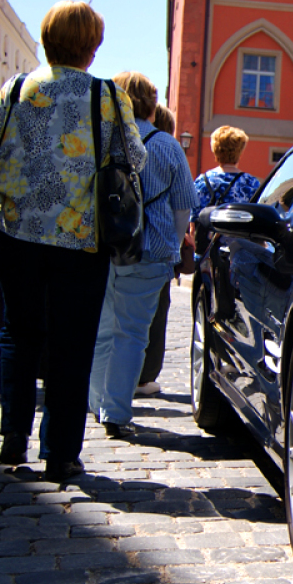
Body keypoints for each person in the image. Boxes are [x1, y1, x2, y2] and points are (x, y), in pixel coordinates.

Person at [0, 0, 146, 483]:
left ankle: (13, 439)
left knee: (19, 333)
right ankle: (61, 453)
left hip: (17, 230)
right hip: (80, 236)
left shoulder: (17, 87)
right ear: (92, 47)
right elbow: (134, 157)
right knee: (73, 344)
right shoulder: (108, 96)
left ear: (47, 40)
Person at [89, 72, 197, 438]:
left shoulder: (100, 139)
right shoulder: (167, 145)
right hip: (150, 252)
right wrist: (174, 240)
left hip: (101, 249)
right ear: (152, 103)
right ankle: (116, 413)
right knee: (132, 334)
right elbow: (184, 205)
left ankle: (95, 402)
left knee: (103, 329)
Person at [136, 103, 180, 399]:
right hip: (157, 244)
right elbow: (184, 203)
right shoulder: (167, 147)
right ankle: (143, 377)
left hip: (118, 241)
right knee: (154, 315)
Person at [194, 125, 261, 208]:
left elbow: (193, 217)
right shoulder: (251, 183)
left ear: (214, 150)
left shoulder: (202, 181)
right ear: (240, 152)